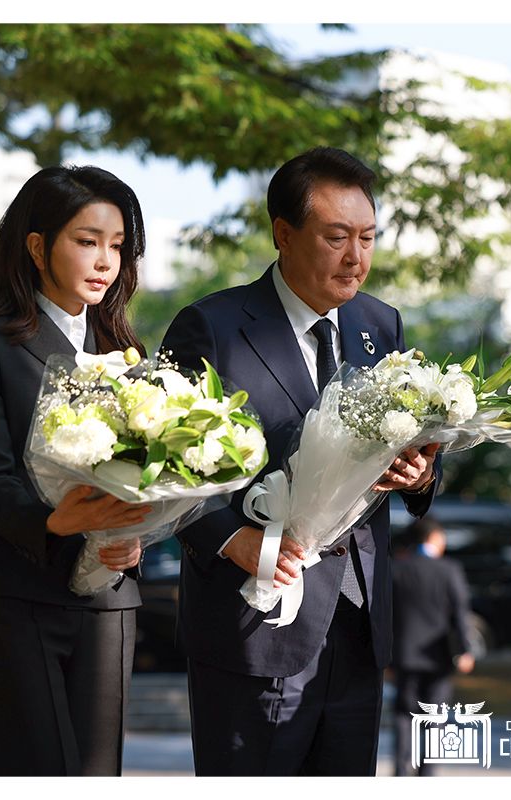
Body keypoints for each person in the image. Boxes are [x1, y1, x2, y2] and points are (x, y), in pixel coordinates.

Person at [160, 147, 439, 776]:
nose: (356, 257)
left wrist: (419, 474)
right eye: (337, 237)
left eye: (368, 238)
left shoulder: (381, 324)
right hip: (254, 617)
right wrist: (232, 537)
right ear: (284, 234)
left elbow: (416, 446)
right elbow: (163, 465)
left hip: (359, 619)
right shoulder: (212, 326)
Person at [0, 165, 152, 775]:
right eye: (87, 241)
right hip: (14, 591)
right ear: (38, 247)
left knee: (95, 777)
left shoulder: (128, 355)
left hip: (108, 600)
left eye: (117, 246)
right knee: (27, 771)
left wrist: (136, 532)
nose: (105, 261)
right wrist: (56, 521)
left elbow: (151, 475)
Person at [390, 516, 476, 776]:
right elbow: (460, 614)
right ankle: (426, 772)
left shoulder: (396, 568)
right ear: (434, 538)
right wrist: (465, 649)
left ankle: (401, 770)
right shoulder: (449, 569)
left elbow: (387, 613)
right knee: (435, 714)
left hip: (404, 654)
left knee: (404, 713)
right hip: (438, 655)